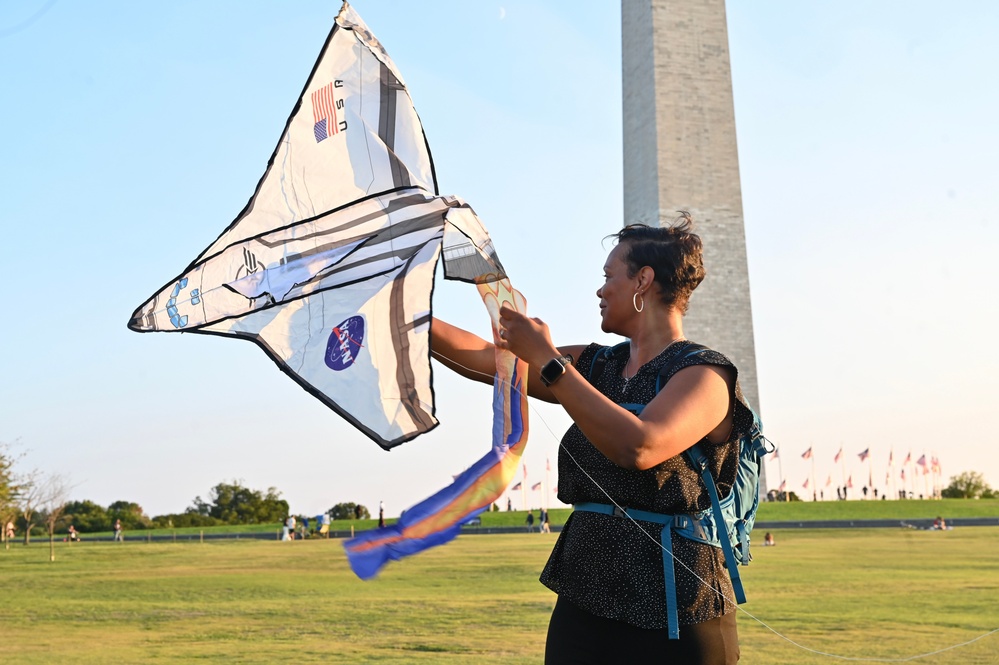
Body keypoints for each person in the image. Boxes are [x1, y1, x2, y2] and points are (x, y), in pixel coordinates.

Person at [431, 218, 746, 663]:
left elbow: (639, 447)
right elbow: (487, 361)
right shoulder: (598, 366)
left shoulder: (705, 375)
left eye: (608, 277)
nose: (600, 290)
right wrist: (405, 318)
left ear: (643, 280)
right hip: (585, 591)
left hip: (680, 608)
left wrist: (547, 360)